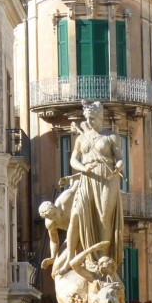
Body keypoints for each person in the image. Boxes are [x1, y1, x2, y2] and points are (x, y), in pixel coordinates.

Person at [52, 100, 123, 276]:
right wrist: (84, 168)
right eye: (88, 119)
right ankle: (81, 258)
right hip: (87, 178)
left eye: (93, 118)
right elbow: (73, 159)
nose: (90, 122)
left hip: (107, 179)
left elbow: (120, 158)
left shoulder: (110, 136)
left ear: (100, 117)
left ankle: (103, 261)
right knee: (80, 215)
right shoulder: (82, 138)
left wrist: (118, 168)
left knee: (104, 218)